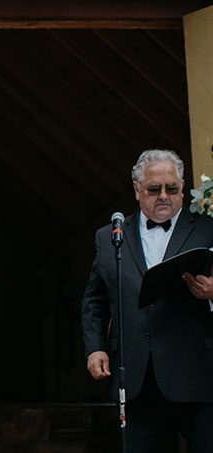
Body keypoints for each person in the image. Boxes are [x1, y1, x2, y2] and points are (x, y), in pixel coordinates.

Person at [81, 149, 213, 452]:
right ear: (137, 190)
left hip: (197, 372)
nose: (163, 196)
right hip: (137, 376)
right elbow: (94, 300)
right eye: (154, 189)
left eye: (172, 188)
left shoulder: (208, 229)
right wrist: (95, 348)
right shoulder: (109, 237)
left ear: (182, 187)